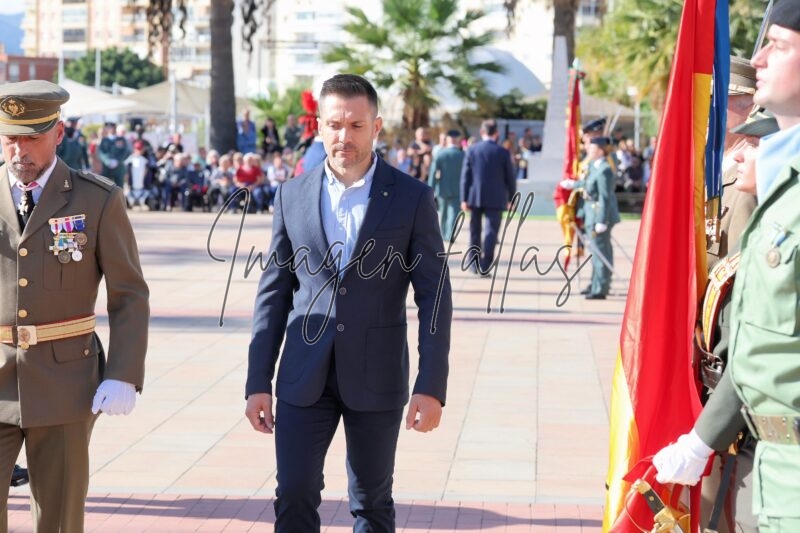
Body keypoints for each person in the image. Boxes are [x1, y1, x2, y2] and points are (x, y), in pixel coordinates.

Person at [244, 73, 452, 532]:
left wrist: (431, 383)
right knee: (293, 493)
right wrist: (258, 379)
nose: (345, 136)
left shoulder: (412, 198)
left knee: (371, 502)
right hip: (302, 374)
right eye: (335, 125)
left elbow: (434, 296)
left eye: (356, 125)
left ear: (376, 127)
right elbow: (273, 293)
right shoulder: (291, 195)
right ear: (319, 126)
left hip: (377, 374)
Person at [653, 4, 800, 532]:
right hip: (767, 456)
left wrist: (703, 437)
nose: (759, 59)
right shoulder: (777, 194)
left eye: (778, 45)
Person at [0, 80, 149, 532]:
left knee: (60, 517)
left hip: (65, 380)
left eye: (32, 137)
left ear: (59, 133)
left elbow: (129, 294)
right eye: (11, 137)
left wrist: (124, 372)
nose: (20, 150)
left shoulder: (96, 199)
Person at [459, 119, 516, 275]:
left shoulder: (472, 150)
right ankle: (485, 265)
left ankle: (473, 263)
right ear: (496, 133)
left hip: (475, 196)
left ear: (482, 132)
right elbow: (510, 178)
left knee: (474, 231)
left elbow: (465, 177)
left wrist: (463, 198)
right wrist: (511, 199)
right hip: (496, 198)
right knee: (491, 231)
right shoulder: (502, 152)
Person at [577, 137, 619, 299]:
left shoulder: (604, 169)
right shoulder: (594, 166)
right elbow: (586, 185)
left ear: (601, 150)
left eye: (592, 148)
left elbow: (604, 197)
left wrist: (601, 220)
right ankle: (595, 284)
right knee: (596, 252)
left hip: (598, 216)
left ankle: (600, 288)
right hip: (591, 215)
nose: (588, 149)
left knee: (600, 252)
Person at [428, 129, 464, 241]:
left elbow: (433, 172)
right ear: (457, 140)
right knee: (454, 213)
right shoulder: (462, 155)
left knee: (443, 213)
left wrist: (430, 188)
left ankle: (443, 234)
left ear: (448, 139)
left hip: (442, 188)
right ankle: (450, 234)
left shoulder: (440, 154)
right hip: (457, 189)